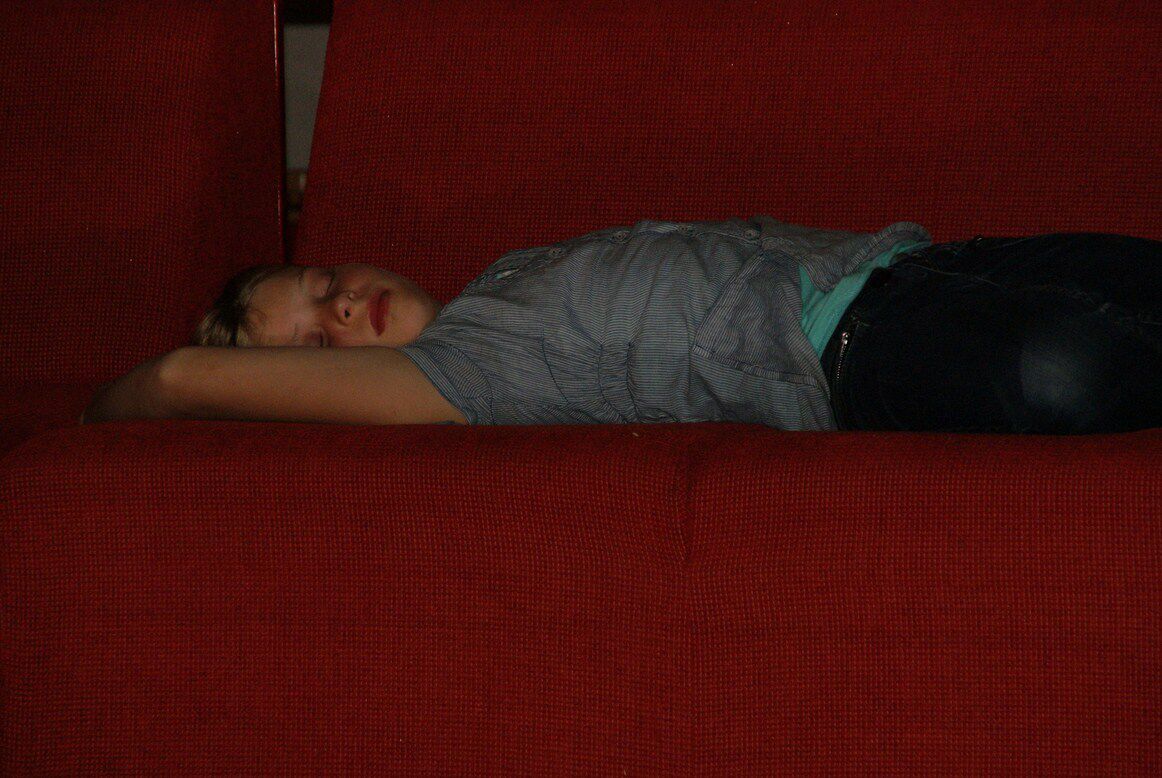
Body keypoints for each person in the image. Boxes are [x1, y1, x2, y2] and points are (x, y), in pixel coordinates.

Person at [82, 216, 1162, 434]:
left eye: (323, 282)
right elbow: (176, 381)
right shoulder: (457, 373)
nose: (340, 305)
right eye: (319, 343)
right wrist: (95, 423)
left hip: (920, 265)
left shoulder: (501, 277)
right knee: (1071, 368)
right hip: (847, 354)